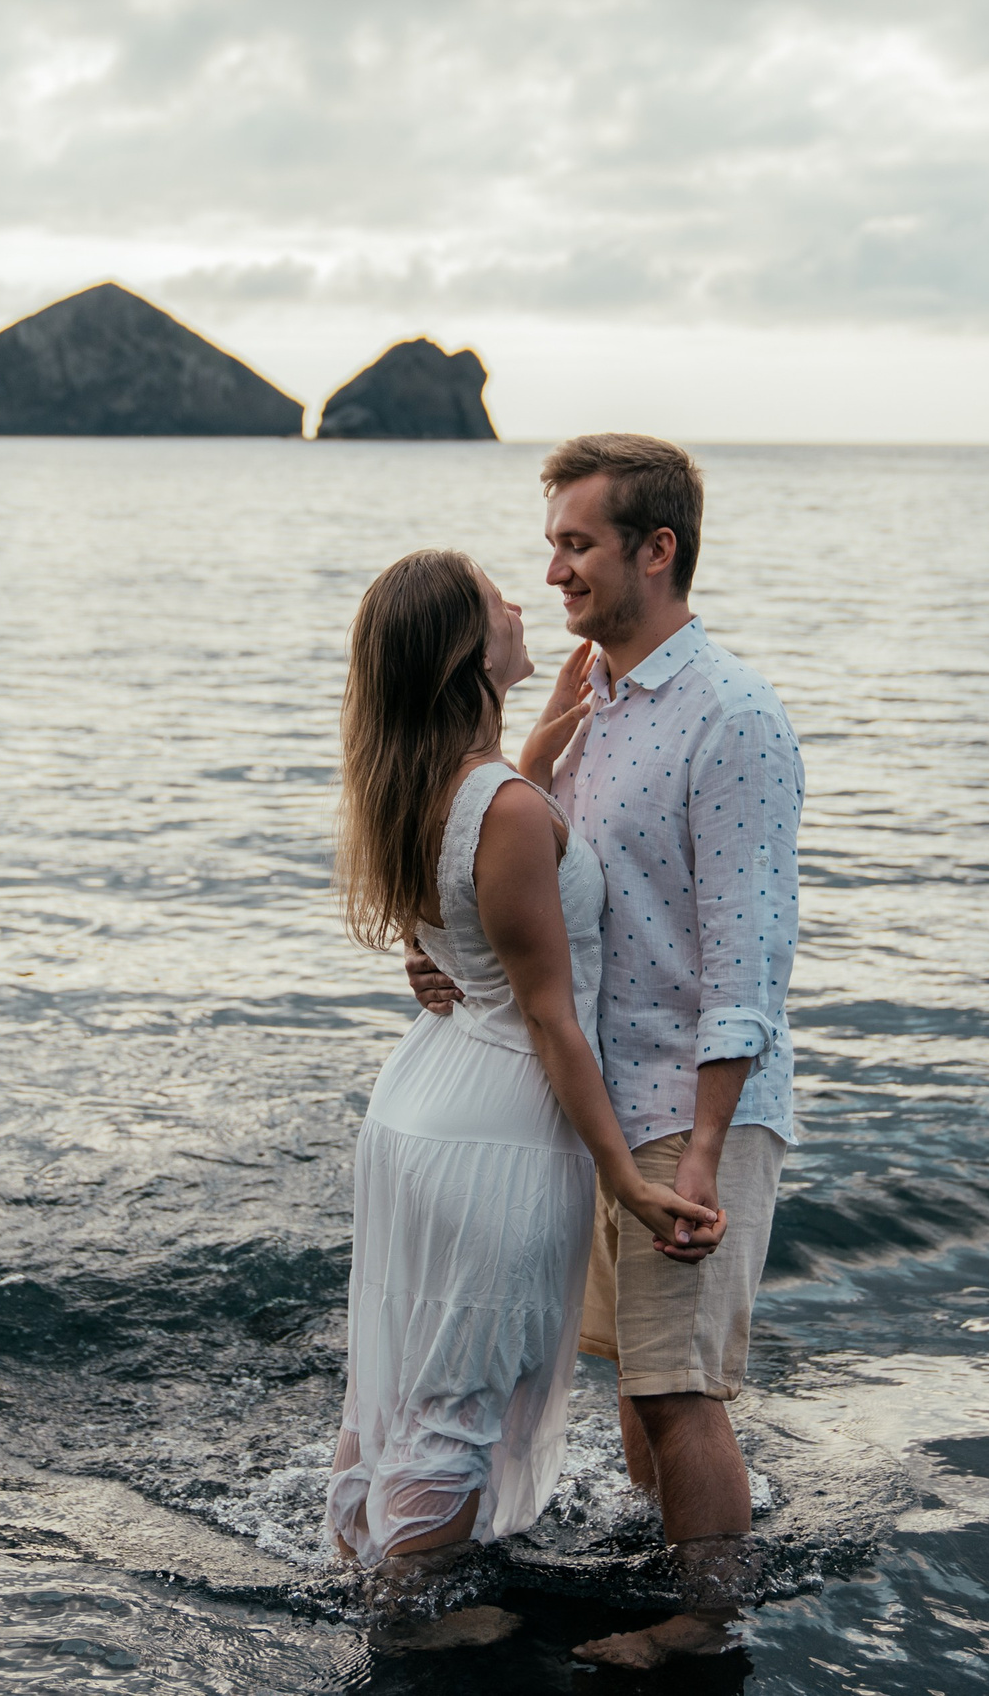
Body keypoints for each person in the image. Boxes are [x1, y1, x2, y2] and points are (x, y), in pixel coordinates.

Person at [408, 434, 805, 1670]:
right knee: (634, 1378)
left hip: (690, 1107)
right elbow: (545, 884)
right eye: (552, 543)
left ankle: (703, 1624)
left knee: (677, 1382)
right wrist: (452, 951)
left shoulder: (728, 717)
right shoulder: (586, 702)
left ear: (656, 550)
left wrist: (700, 1149)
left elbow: (748, 964)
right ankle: (661, 1555)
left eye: (577, 543)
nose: (556, 567)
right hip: (593, 1102)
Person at [325, 548, 717, 1644]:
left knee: (418, 1368)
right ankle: (408, 1619)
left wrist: (539, 744)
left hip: (425, 1097)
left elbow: (468, 917)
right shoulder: (498, 808)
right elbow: (551, 1016)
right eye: (496, 599)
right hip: (499, 1123)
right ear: (467, 652)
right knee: (472, 1372)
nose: (519, 600)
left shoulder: (420, 783)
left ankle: (375, 1550)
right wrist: (625, 1182)